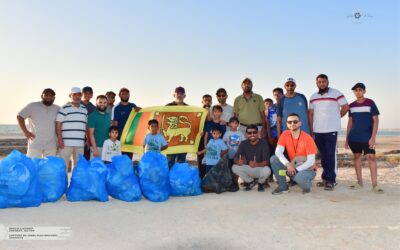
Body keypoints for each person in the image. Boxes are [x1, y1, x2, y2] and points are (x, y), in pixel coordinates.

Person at [309, 74, 349, 191]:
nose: (322, 84)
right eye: (319, 82)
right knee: (323, 156)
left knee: (330, 155)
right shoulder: (313, 96)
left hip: (331, 129)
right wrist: (312, 131)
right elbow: (310, 114)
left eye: (324, 81)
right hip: (318, 130)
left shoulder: (336, 93)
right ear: (316, 83)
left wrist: (337, 118)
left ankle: (331, 180)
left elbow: (346, 107)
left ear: (328, 82)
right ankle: (325, 179)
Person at [345, 83, 383, 193]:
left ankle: (375, 185)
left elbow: (376, 120)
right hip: (354, 137)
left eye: (360, 90)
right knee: (357, 158)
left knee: (371, 158)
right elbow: (350, 122)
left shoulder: (370, 103)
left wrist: (373, 138)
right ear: (354, 92)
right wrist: (347, 139)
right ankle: (359, 182)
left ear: (364, 91)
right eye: (355, 90)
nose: (358, 92)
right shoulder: (351, 106)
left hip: (367, 137)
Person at [270, 113, 317, 195]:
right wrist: (288, 164)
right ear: (287, 124)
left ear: (300, 123)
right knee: (274, 159)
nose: (292, 124)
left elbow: (311, 161)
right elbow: (278, 152)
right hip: (293, 165)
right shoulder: (285, 134)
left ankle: (306, 186)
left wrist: (295, 170)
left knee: (299, 177)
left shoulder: (308, 138)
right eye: (289, 122)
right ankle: (283, 187)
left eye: (295, 121)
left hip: (308, 168)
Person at [17, 88, 60, 158]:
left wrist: (59, 139)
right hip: (35, 143)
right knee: (32, 165)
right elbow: (20, 116)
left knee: (49, 167)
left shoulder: (58, 108)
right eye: (46, 95)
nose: (48, 97)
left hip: (51, 144)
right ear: (42, 96)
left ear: (54, 98)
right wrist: (25, 132)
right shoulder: (32, 106)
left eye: (51, 96)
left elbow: (60, 124)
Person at [56, 87, 88, 171]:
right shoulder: (64, 108)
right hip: (66, 143)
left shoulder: (84, 109)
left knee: (78, 167)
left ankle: (75, 184)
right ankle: (63, 184)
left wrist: (87, 138)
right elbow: (58, 124)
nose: (77, 96)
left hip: (80, 143)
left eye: (79, 94)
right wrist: (60, 139)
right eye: (75, 94)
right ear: (70, 95)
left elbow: (85, 125)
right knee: (64, 165)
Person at [232, 125, 271, 192]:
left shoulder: (263, 143)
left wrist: (257, 164)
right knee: (234, 167)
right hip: (249, 168)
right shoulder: (243, 143)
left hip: (260, 168)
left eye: (254, 132)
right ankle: (251, 182)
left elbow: (266, 162)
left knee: (268, 170)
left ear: (258, 133)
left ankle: (260, 183)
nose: (252, 134)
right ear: (246, 134)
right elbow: (235, 157)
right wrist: (238, 161)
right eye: (249, 133)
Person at [112, 87, 141, 158]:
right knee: (119, 157)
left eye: (126, 94)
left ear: (129, 95)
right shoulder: (117, 107)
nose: (125, 95)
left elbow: (140, 116)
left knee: (129, 158)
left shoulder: (133, 106)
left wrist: (140, 110)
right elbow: (114, 124)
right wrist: (115, 137)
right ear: (119, 95)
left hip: (130, 138)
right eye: (123, 94)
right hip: (120, 137)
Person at [200, 105, 227, 177]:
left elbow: (224, 137)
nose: (217, 113)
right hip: (209, 149)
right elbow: (206, 136)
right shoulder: (209, 123)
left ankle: (216, 184)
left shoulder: (223, 124)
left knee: (217, 168)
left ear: (221, 113)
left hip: (218, 150)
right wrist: (205, 148)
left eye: (219, 112)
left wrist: (222, 151)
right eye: (215, 111)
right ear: (212, 113)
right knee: (208, 168)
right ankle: (208, 183)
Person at [166, 86, 189, 168]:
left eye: (181, 93)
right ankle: (169, 180)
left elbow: (193, 122)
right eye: (177, 93)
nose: (179, 95)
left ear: (184, 95)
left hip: (182, 142)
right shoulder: (168, 107)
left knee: (181, 163)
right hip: (171, 142)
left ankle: (179, 180)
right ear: (174, 95)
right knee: (169, 163)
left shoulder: (189, 108)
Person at [223, 117, 245, 184]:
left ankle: (235, 181)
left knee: (236, 168)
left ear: (238, 124)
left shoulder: (240, 133)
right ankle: (230, 182)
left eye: (236, 123)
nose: (234, 124)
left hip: (237, 155)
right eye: (232, 122)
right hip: (229, 155)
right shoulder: (227, 133)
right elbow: (224, 143)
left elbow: (243, 144)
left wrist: (242, 154)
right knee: (229, 168)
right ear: (229, 124)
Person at [88, 95, 111, 159]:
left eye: (104, 102)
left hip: (107, 147)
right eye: (100, 102)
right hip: (97, 147)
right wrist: (95, 149)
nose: (102, 104)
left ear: (107, 104)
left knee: (105, 167)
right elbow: (91, 134)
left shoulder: (108, 116)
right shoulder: (92, 116)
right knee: (95, 168)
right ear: (96, 103)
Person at [81, 86, 96, 160]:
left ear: (92, 95)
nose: (87, 95)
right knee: (78, 157)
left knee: (87, 157)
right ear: (82, 94)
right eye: (85, 93)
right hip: (77, 135)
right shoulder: (75, 104)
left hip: (88, 136)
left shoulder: (93, 108)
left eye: (89, 93)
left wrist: (88, 138)